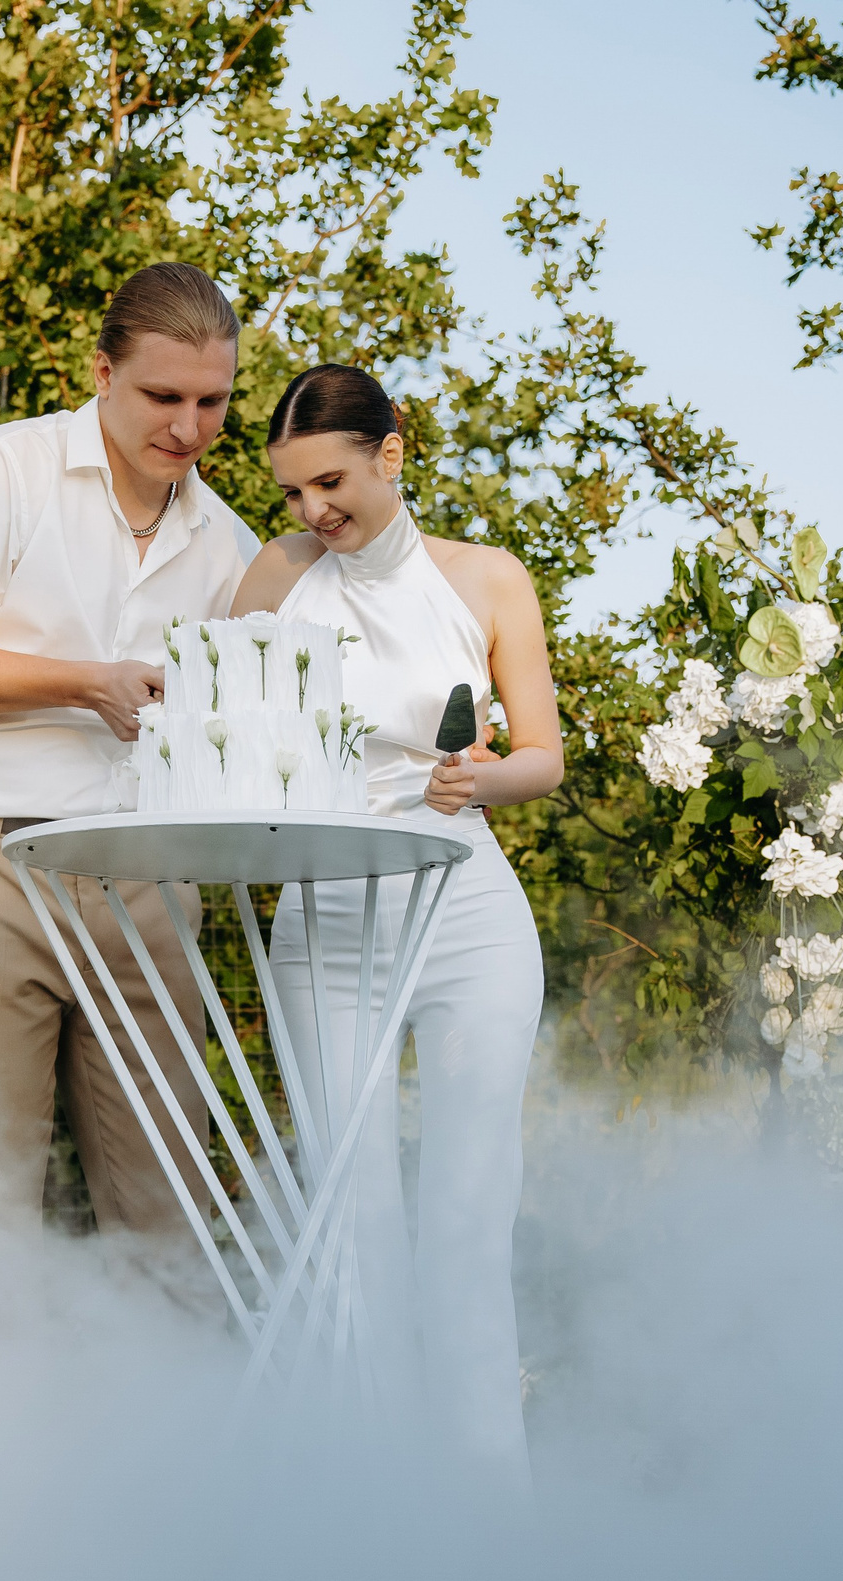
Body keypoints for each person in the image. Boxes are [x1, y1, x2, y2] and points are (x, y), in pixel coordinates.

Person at [0, 263, 258, 1242]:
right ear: (100, 372)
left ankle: (166, 1397)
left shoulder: (232, 549)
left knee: (170, 1221)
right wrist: (86, 681)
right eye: (163, 396)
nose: (188, 426)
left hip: (146, 886)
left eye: (211, 401)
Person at [231, 364, 562, 1465]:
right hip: (322, 927)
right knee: (348, 1229)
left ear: (391, 450)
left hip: (466, 912)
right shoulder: (270, 580)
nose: (311, 512)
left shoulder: (486, 579)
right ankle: (371, 1520)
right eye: (289, 493)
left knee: (465, 1230)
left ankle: (488, 1523)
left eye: (329, 482)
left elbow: (542, 758)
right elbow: (234, 745)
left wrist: (480, 782)